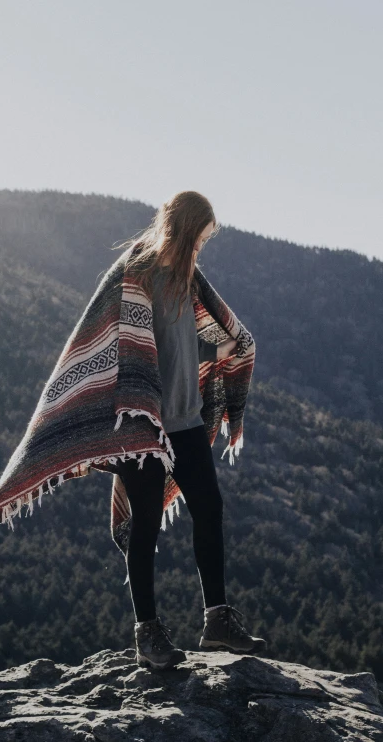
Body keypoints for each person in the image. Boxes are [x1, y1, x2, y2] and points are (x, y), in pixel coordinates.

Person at [111, 191, 267, 670]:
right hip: (144, 427)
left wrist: (227, 351)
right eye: (198, 240)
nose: (201, 250)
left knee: (210, 509)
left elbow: (197, 337)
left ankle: (217, 619)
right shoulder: (137, 272)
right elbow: (116, 343)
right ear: (182, 230)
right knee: (146, 525)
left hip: (188, 419)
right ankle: (148, 633)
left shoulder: (189, 279)